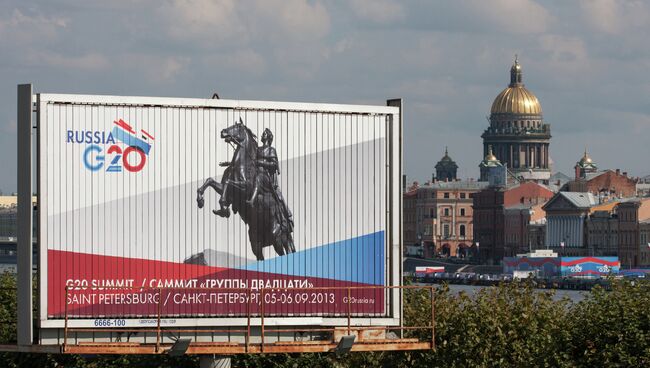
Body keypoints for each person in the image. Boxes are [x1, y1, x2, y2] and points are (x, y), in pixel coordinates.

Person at [247, 128, 293, 229]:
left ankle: (252, 200)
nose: (262, 135)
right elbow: (251, 162)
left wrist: (260, 163)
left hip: (266, 178)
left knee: (258, 178)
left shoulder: (271, 150)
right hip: (257, 174)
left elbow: (273, 164)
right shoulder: (258, 149)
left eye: (264, 134)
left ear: (268, 137)